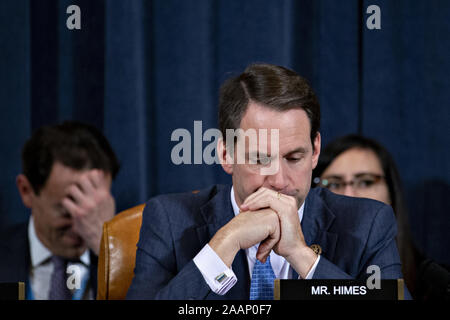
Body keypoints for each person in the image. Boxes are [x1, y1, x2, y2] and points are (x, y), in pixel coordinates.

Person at [126, 63, 409, 300]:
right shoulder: (170, 220)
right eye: (261, 159)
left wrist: (303, 258)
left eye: (294, 158)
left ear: (316, 151)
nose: (279, 181)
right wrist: (224, 243)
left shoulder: (367, 223)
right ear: (226, 154)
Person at [312, 134, 449, 300]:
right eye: (333, 184)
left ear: (391, 193)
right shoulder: (291, 270)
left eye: (366, 182)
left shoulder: (435, 283)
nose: (349, 195)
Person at [0, 121, 120, 300]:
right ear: (26, 191)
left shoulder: (140, 263)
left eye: (93, 210)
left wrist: (106, 247)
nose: (82, 226)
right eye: (66, 211)